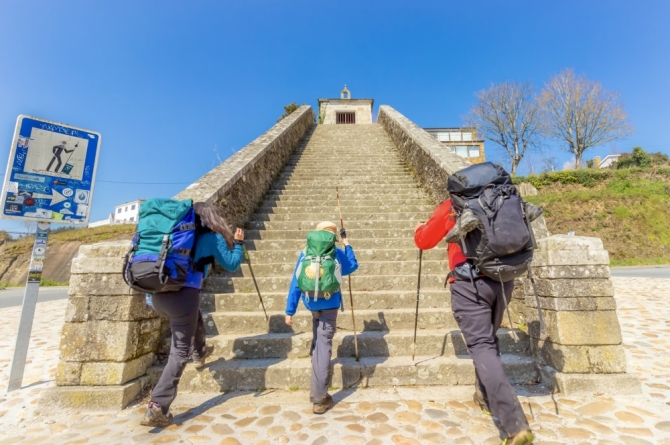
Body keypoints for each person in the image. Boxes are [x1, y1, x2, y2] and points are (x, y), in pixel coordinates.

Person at [414, 201, 535, 445]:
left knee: (481, 345)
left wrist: (419, 228)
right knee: (489, 340)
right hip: (503, 278)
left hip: (469, 283)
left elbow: (424, 241)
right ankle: (487, 398)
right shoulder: (501, 199)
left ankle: (515, 425)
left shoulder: (452, 205)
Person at [141, 202, 245, 427]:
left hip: (157, 295)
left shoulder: (172, 235)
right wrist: (238, 244)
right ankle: (157, 406)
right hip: (183, 296)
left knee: (193, 315)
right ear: (212, 218)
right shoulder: (211, 237)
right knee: (179, 352)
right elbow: (232, 264)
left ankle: (200, 352)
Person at [284, 221, 358, 414]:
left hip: (311, 302)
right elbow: (352, 266)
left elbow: (296, 282)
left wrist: (289, 310)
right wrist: (347, 245)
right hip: (330, 304)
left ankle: (314, 357)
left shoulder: (305, 253)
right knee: (324, 344)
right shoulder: (336, 252)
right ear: (332, 236)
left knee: (317, 329)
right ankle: (319, 398)